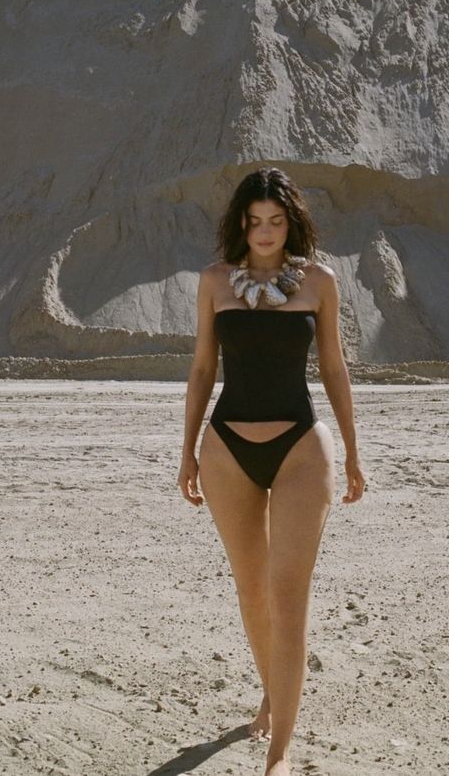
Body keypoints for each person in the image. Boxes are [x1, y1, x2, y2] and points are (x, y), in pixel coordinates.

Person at [178, 167, 366, 776]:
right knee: (251, 588)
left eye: (276, 221)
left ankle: (280, 750)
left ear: (291, 223)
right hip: (226, 444)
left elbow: (334, 368)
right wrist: (186, 451)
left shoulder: (319, 282)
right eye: (254, 221)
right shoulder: (212, 282)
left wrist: (356, 453)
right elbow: (203, 369)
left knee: (289, 595)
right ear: (240, 223)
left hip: (301, 447)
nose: (264, 232)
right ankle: (273, 691)